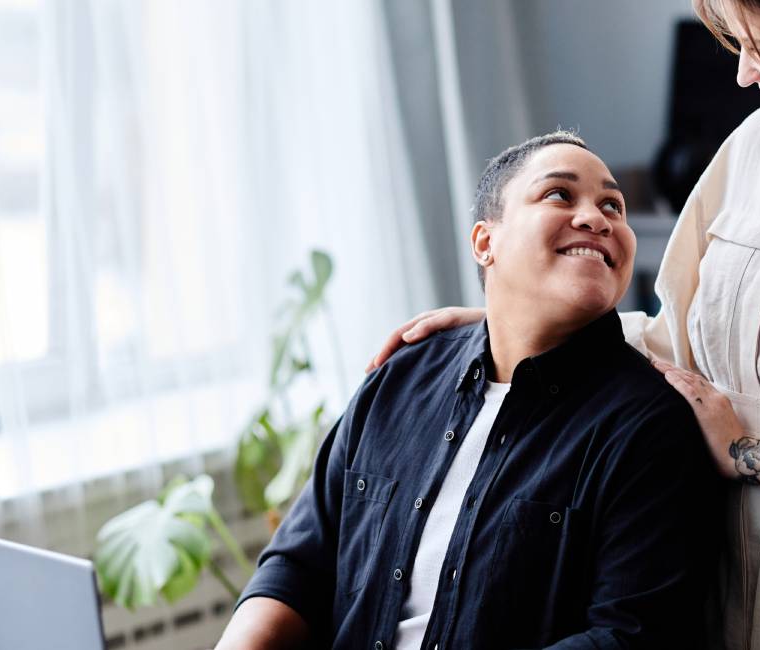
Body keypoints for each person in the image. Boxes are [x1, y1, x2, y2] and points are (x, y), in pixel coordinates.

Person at [368, 1, 760, 648]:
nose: (743, 73)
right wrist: (515, 316)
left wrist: (746, 455)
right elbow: (671, 338)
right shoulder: (755, 147)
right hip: (720, 569)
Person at [215, 131, 722, 650]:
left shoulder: (648, 424)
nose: (597, 218)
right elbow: (296, 567)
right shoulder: (400, 377)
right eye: (559, 195)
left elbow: (630, 637)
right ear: (485, 242)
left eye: (613, 206)